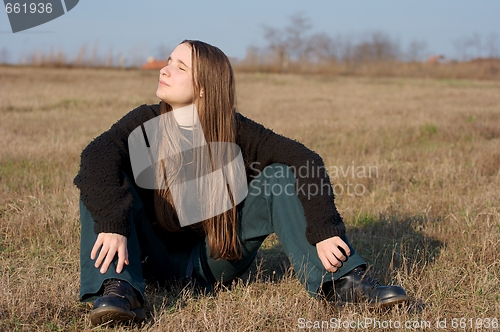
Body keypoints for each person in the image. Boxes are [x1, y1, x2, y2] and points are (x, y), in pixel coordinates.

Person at [74, 39, 409, 326]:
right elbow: (96, 155)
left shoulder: (237, 131)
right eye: (167, 62)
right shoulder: (145, 121)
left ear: (203, 87)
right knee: (104, 177)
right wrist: (113, 222)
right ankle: (118, 291)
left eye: (179, 67)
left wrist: (324, 229)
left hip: (214, 260)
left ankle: (343, 282)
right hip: (152, 260)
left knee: (279, 175)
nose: (164, 70)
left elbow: (305, 160)